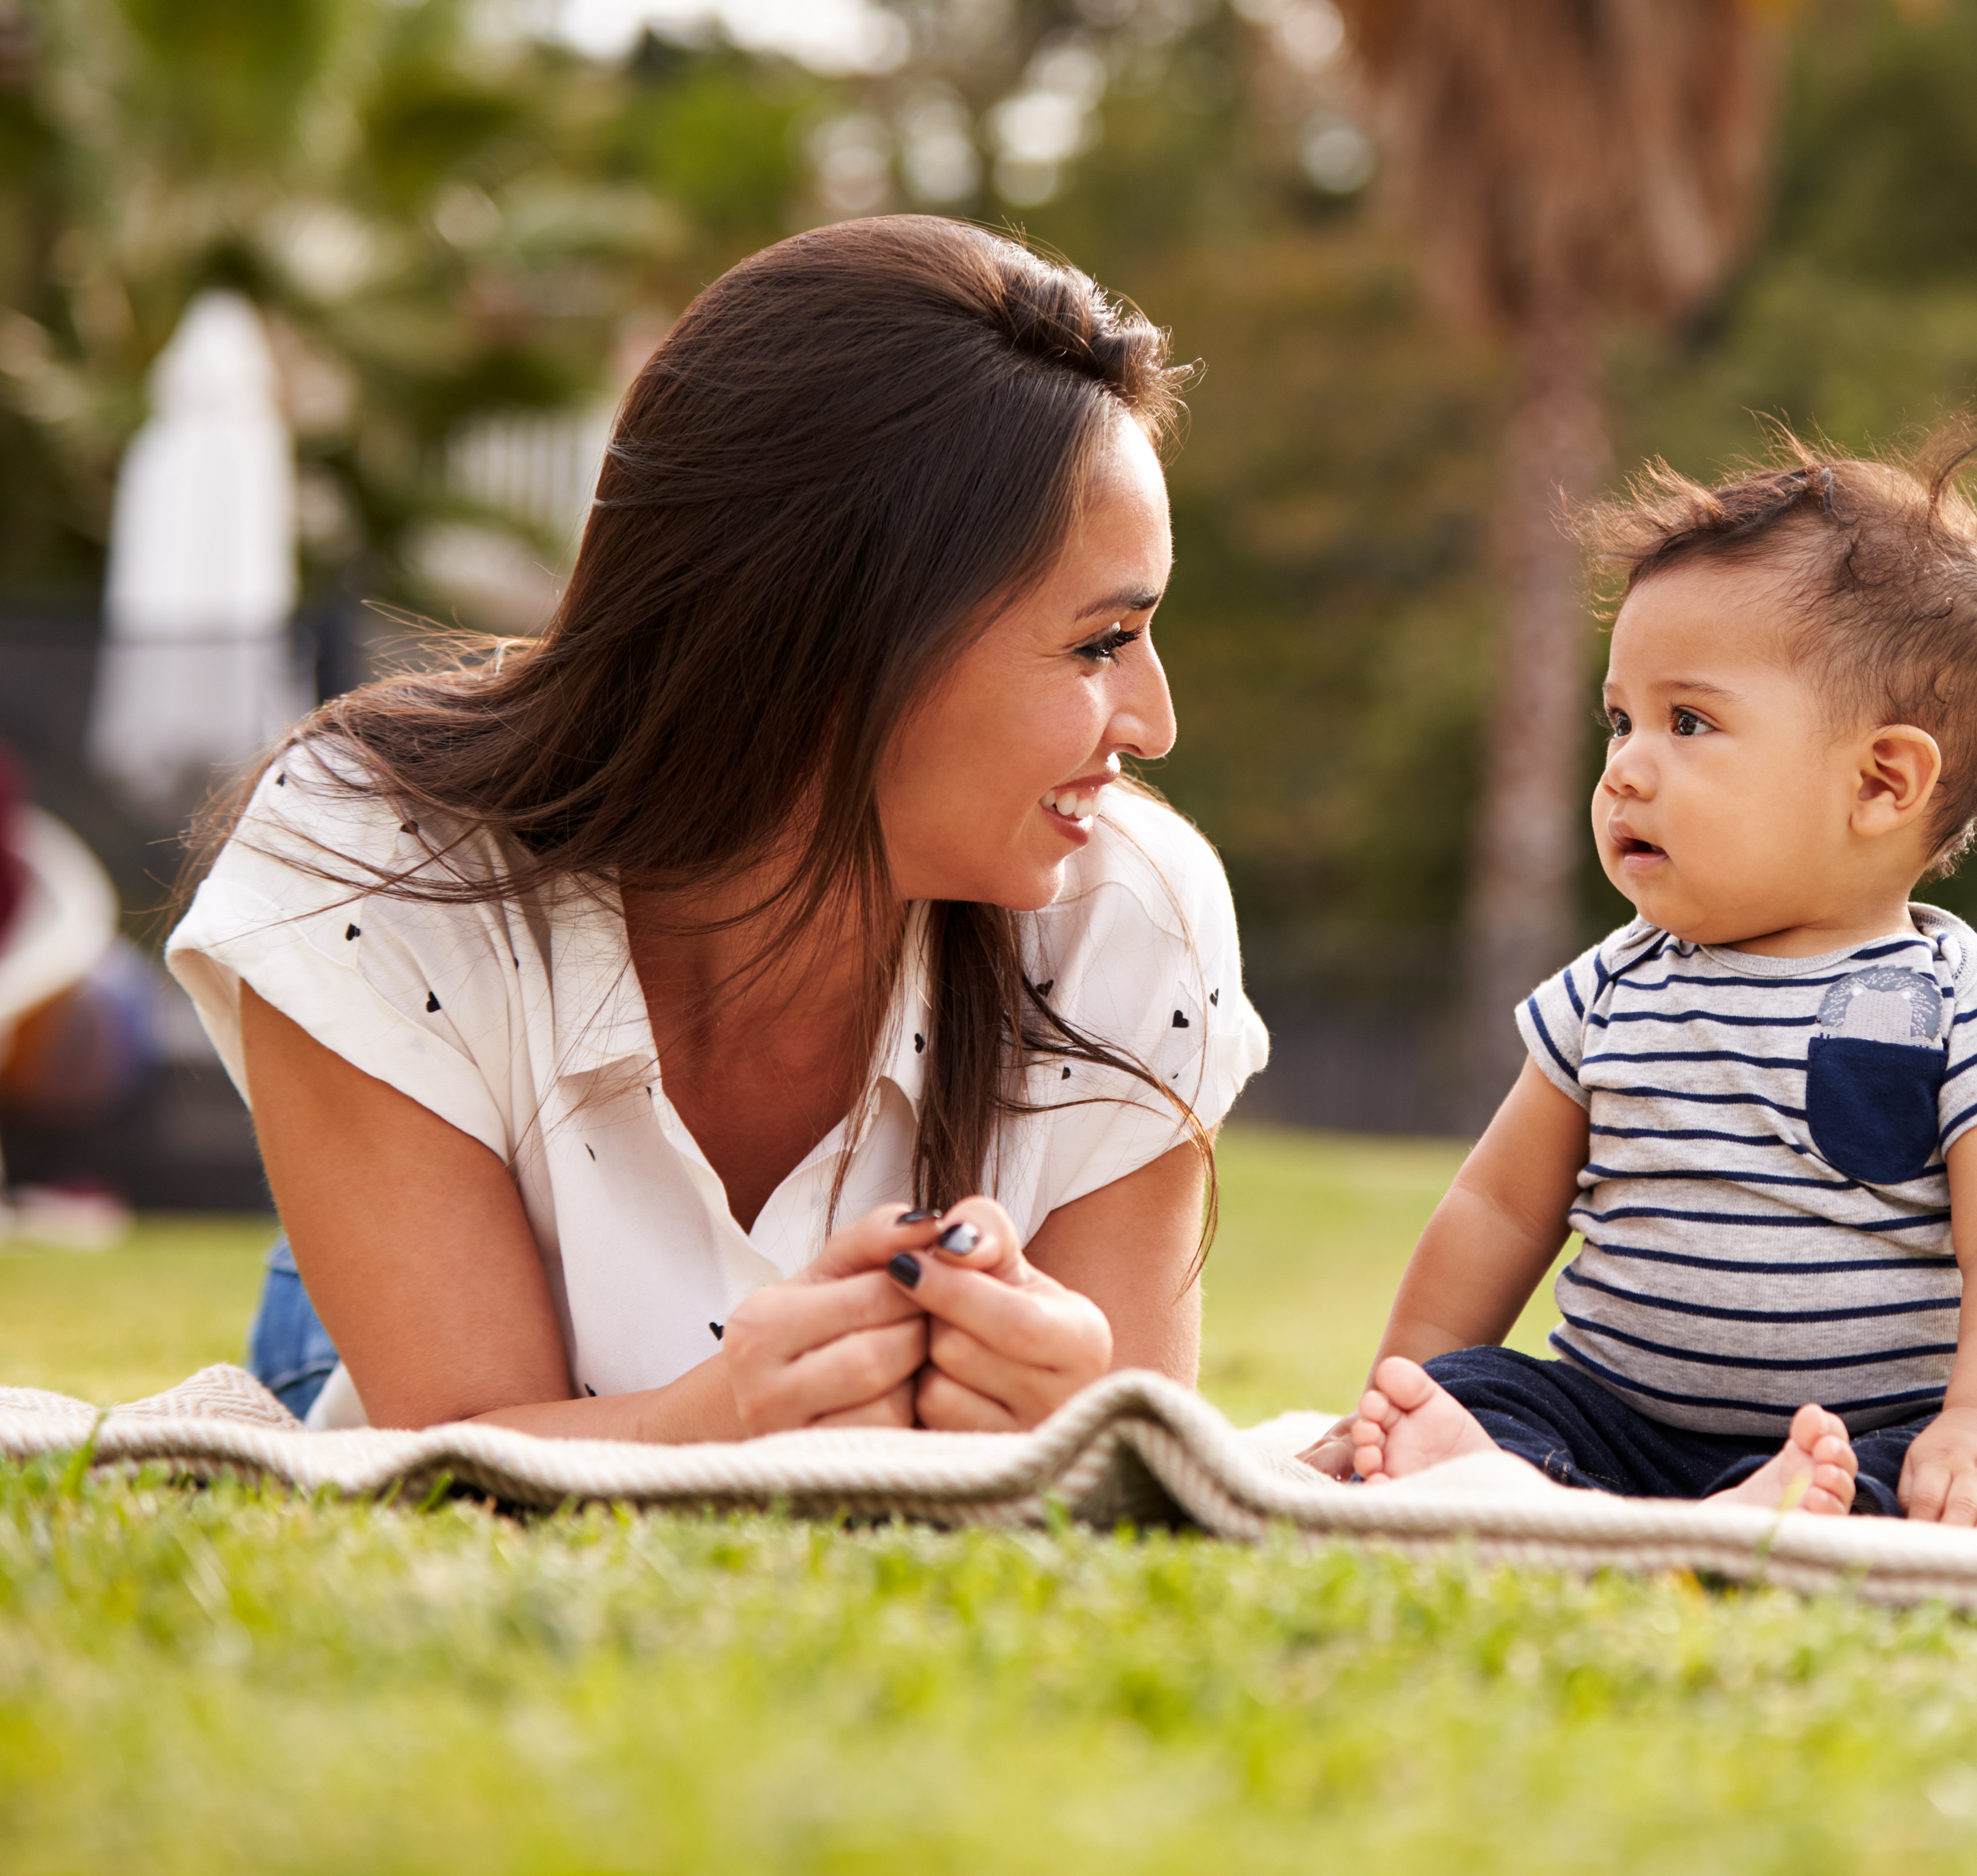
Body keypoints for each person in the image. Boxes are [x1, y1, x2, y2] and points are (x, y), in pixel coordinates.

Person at [169, 216, 1267, 1436]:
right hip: (423, 1200)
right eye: (1100, 641)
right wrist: (723, 1414)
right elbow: (445, 1451)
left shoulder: (1135, 912)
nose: (1156, 723)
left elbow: (1141, 1462)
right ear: (847, 631)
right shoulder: (375, 856)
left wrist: (1073, 1420)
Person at [1342, 417, 1977, 1529]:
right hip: (1614, 1414)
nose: (1624, 771)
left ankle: (1797, 1499)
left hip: (1866, 1420)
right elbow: (1498, 1209)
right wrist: (1394, 1389)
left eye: (1686, 721)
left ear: (1882, 782)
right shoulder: (1610, 987)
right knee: (1476, 1397)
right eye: (1619, 720)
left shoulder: (1962, 1002)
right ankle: (1496, 1461)